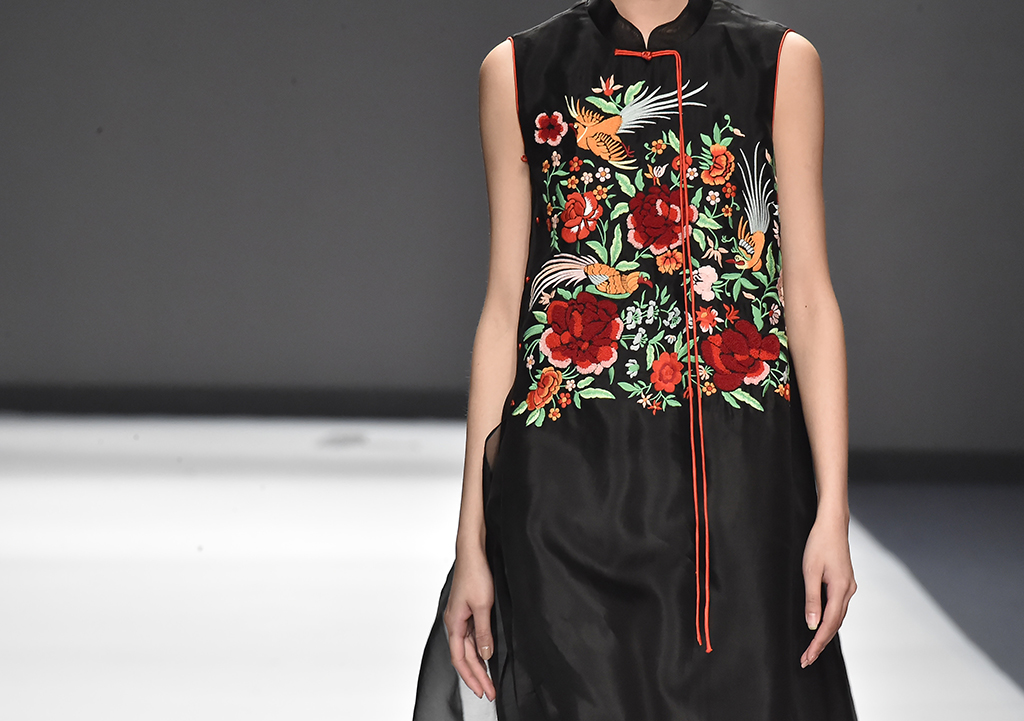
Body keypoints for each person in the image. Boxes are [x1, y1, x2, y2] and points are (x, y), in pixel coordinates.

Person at [413, 0, 859, 718]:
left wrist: (832, 509)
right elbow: (504, 311)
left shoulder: (776, 63)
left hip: (738, 498)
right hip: (563, 500)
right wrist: (472, 540)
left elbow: (806, 296)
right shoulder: (520, 70)